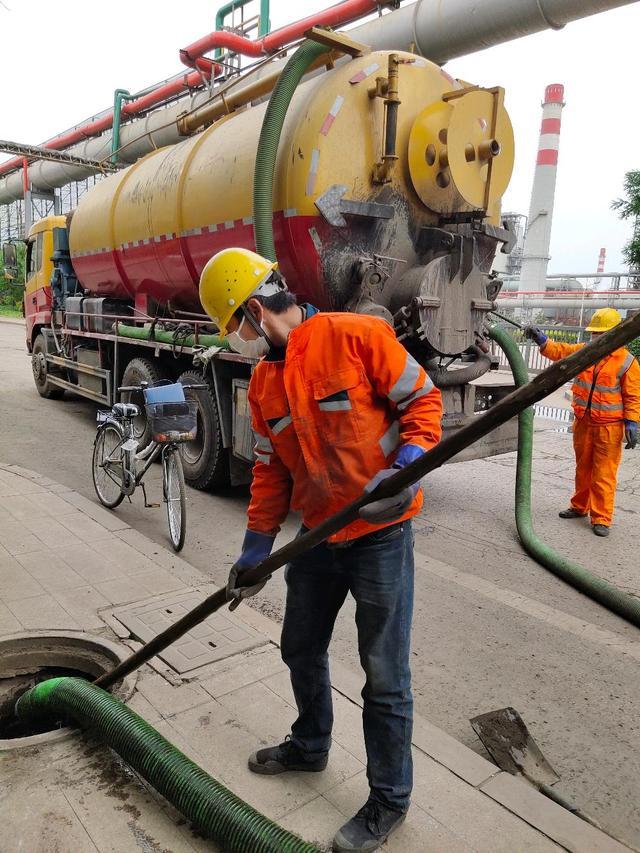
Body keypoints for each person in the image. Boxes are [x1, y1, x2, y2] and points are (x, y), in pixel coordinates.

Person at [199, 247, 443, 852]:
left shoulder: (354, 336)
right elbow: (269, 472)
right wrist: (256, 549)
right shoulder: (263, 383)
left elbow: (423, 401)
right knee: (300, 645)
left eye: (234, 328)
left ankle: (389, 800)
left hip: (380, 534)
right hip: (316, 536)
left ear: (256, 310)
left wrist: (408, 466)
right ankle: (310, 746)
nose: (238, 343)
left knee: (384, 676)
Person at [525, 308, 640, 537]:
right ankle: (580, 507)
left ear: (615, 334)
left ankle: (602, 518)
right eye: (594, 333)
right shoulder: (585, 352)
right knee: (583, 468)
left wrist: (632, 423)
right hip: (584, 423)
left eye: (601, 333)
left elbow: (633, 396)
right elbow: (561, 352)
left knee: (604, 474)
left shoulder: (627, 362)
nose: (596, 338)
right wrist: (542, 340)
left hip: (609, 427)